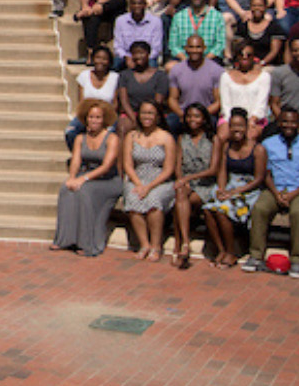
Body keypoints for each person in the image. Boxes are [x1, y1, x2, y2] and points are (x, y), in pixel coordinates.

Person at [245, 106, 299, 273]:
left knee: (298, 212)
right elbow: (266, 173)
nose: (289, 125)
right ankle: (256, 255)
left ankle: (297, 259)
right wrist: (277, 194)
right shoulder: (268, 144)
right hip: (275, 188)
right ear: (278, 123)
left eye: (293, 122)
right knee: (260, 208)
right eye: (285, 121)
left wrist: (293, 194)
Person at [51, 100, 122, 257]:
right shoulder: (80, 138)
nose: (94, 120)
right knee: (66, 189)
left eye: (98, 117)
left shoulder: (112, 138)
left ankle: (87, 243)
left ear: (104, 119)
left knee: (85, 191)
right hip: (87, 175)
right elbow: (76, 160)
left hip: (108, 180)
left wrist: (83, 179)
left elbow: (106, 166)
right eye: (91, 117)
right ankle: (64, 239)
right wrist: (72, 177)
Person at [204, 111, 267, 268]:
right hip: (231, 185)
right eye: (232, 126)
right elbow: (222, 171)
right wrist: (222, 188)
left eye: (240, 126)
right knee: (208, 208)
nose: (236, 129)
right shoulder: (227, 146)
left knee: (221, 210)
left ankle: (231, 252)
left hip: (249, 189)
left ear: (246, 127)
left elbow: (259, 178)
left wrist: (235, 192)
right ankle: (221, 250)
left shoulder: (258, 149)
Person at [120, 99, 177, 261]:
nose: (147, 117)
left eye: (151, 113)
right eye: (144, 113)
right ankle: (144, 244)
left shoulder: (166, 138)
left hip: (159, 180)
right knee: (133, 198)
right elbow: (127, 164)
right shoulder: (132, 136)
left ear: (158, 116)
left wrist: (149, 186)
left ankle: (156, 245)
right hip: (137, 177)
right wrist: (138, 184)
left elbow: (168, 169)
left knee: (153, 200)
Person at [170, 103, 218, 268]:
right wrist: (182, 179)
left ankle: (180, 243)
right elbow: (178, 166)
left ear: (204, 119)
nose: (193, 120)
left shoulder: (213, 139)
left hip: (206, 184)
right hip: (187, 183)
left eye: (197, 116)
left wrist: (188, 178)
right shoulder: (182, 138)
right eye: (190, 116)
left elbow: (213, 169)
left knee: (182, 203)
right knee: (181, 194)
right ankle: (184, 243)